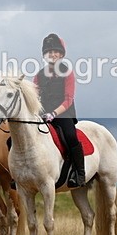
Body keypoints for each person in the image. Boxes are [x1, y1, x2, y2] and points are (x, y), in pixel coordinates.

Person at [33, 33, 86, 188]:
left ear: (61, 54)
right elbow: (34, 97)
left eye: (56, 51)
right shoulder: (39, 75)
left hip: (63, 113)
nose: (53, 54)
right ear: (45, 55)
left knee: (70, 136)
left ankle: (80, 172)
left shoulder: (67, 73)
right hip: (42, 114)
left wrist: (54, 113)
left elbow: (68, 99)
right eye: (49, 52)